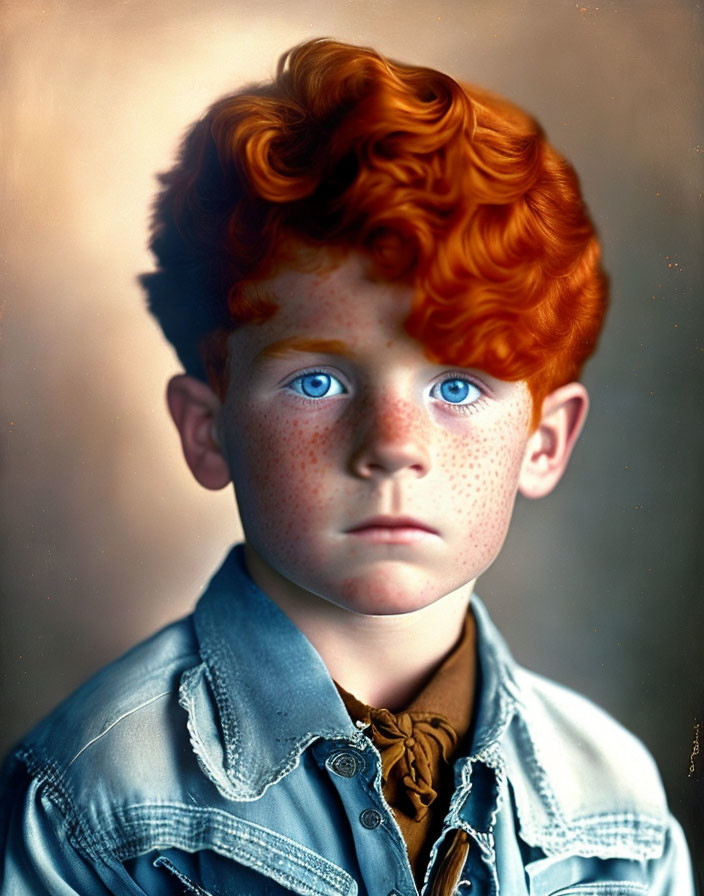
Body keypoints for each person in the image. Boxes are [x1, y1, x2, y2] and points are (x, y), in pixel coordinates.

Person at [0, 38, 694, 895]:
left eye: (458, 385)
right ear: (207, 431)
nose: (392, 444)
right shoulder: (91, 803)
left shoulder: (617, 807)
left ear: (544, 441)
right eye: (318, 381)